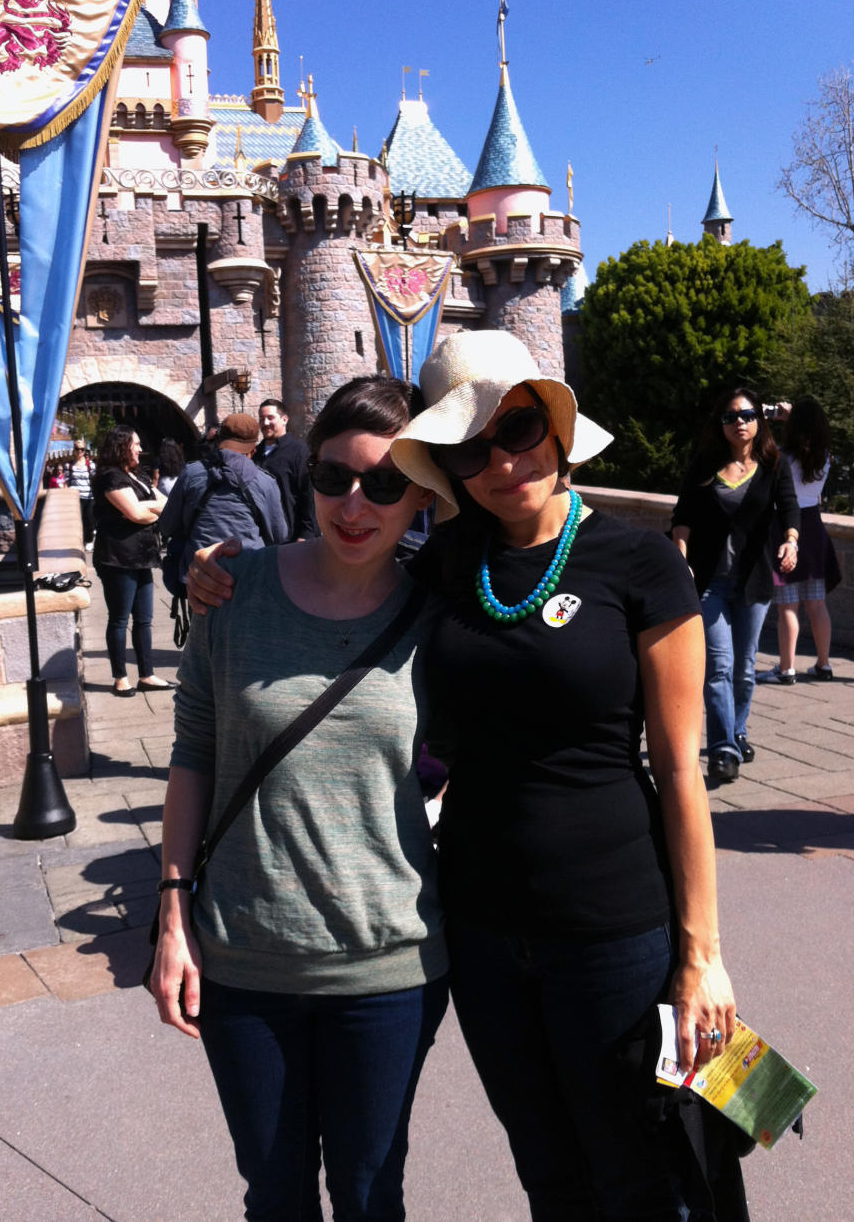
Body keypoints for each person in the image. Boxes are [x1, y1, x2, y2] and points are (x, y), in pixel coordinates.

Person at [187, 331, 743, 1220]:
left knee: (649, 1169)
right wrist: (222, 569)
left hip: (613, 925)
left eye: (518, 427)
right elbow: (340, 567)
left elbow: (681, 768)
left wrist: (702, 956)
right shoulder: (446, 567)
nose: (501, 460)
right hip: (482, 933)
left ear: (556, 427)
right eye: (469, 447)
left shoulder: (638, 561)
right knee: (549, 1169)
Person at [149, 376, 446, 1222]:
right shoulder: (235, 590)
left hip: (388, 963)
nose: (355, 503)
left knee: (366, 1193)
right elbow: (194, 752)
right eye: (332, 477)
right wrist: (173, 917)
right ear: (303, 477)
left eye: (386, 483)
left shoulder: (443, 609)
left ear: (422, 494)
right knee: (275, 1195)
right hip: (247, 957)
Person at [672, 386, 800, 782]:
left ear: (758, 420)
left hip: (754, 581)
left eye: (746, 415)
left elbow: (790, 506)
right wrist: (680, 556)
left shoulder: (772, 463)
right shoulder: (705, 465)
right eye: (730, 417)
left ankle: (737, 730)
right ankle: (723, 749)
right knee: (719, 667)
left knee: (745, 669)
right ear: (721, 424)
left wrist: (791, 540)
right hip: (710, 582)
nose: (739, 422)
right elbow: (683, 516)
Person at [156, 412, 288, 590]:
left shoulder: (191, 473)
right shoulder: (265, 482)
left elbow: (167, 526)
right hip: (251, 577)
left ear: (219, 443)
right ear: (253, 449)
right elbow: (279, 535)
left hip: (200, 579)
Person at [92, 425, 173, 698]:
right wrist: (147, 510)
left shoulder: (136, 476)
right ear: (121, 446)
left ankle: (147, 675)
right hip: (117, 558)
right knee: (119, 619)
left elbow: (165, 504)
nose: (140, 449)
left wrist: (145, 509)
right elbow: (136, 514)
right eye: (135, 444)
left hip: (142, 556)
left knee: (144, 619)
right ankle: (120, 678)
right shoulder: (109, 478)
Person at [764, 396, 840, 683]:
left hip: (785, 526)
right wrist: (797, 415)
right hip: (813, 525)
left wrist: (783, 418)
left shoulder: (781, 456)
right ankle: (824, 664)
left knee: (788, 605)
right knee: (817, 604)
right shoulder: (826, 456)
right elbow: (812, 429)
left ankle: (786, 668)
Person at [254, 396, 317, 539]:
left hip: (292, 537)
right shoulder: (255, 454)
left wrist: (306, 534)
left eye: (270, 418)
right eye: (261, 418)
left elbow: (309, 494)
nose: (265, 423)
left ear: (284, 419)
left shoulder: (299, 451)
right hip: (262, 537)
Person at [68, 438, 96, 550]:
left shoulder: (91, 465)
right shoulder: (69, 466)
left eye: (82, 449)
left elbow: (95, 479)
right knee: (76, 522)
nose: (79, 451)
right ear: (74, 450)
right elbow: (65, 482)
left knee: (89, 520)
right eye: (77, 449)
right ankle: (78, 542)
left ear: (85, 450)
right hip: (75, 497)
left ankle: (89, 540)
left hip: (89, 497)